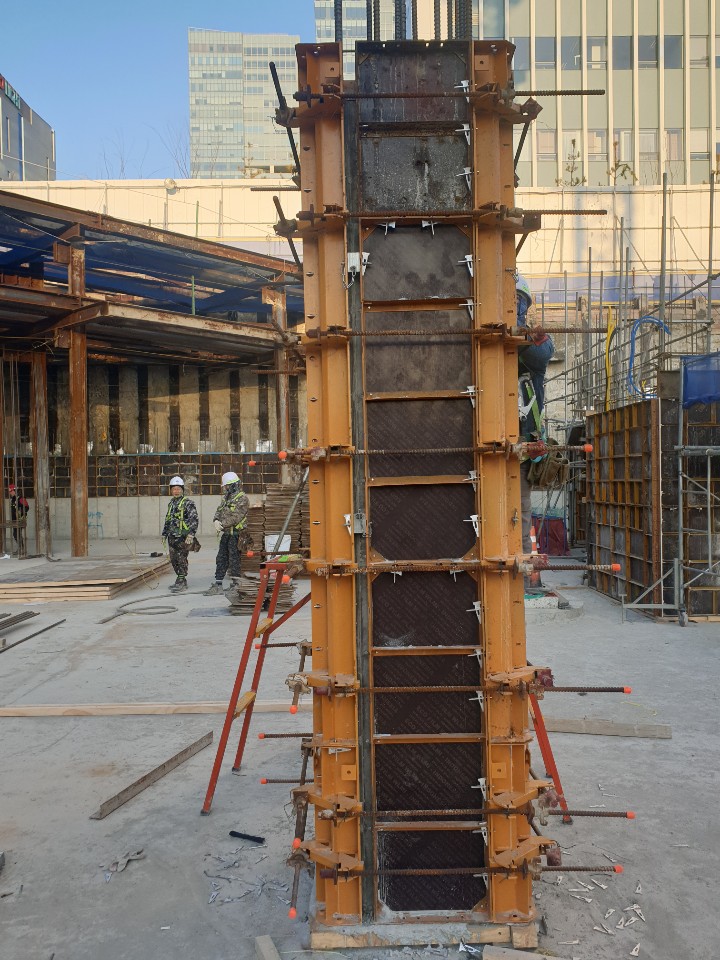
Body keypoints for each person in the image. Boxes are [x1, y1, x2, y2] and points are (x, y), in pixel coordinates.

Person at [515, 274, 554, 585]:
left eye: (519, 303)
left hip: (522, 448)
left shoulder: (535, 347)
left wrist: (520, 332)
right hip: (490, 441)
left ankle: (526, 579)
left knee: (520, 514)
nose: (515, 308)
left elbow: (539, 352)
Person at [204, 471, 250, 596]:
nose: (225, 488)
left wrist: (222, 524)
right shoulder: (226, 498)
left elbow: (237, 517)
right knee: (221, 558)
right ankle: (218, 584)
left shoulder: (242, 498)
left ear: (233, 485)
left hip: (236, 534)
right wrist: (216, 520)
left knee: (234, 560)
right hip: (226, 534)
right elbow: (219, 510)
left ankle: (236, 585)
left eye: (226, 486)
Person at [161, 476, 199, 594]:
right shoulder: (171, 503)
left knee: (181, 558)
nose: (176, 491)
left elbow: (194, 519)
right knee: (173, 559)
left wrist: (191, 534)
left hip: (183, 537)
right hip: (172, 537)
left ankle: (182, 580)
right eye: (174, 489)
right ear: (171, 490)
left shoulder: (188, 503)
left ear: (182, 489)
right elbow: (168, 519)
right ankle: (179, 578)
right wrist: (164, 534)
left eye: (178, 488)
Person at [8, 483, 29, 554]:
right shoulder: (13, 499)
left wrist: (20, 513)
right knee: (16, 534)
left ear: (14, 490)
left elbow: (26, 507)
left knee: (16, 534)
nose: (10, 493)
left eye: (10, 491)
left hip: (20, 520)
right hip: (15, 520)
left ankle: (21, 549)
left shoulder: (20, 498)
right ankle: (21, 549)